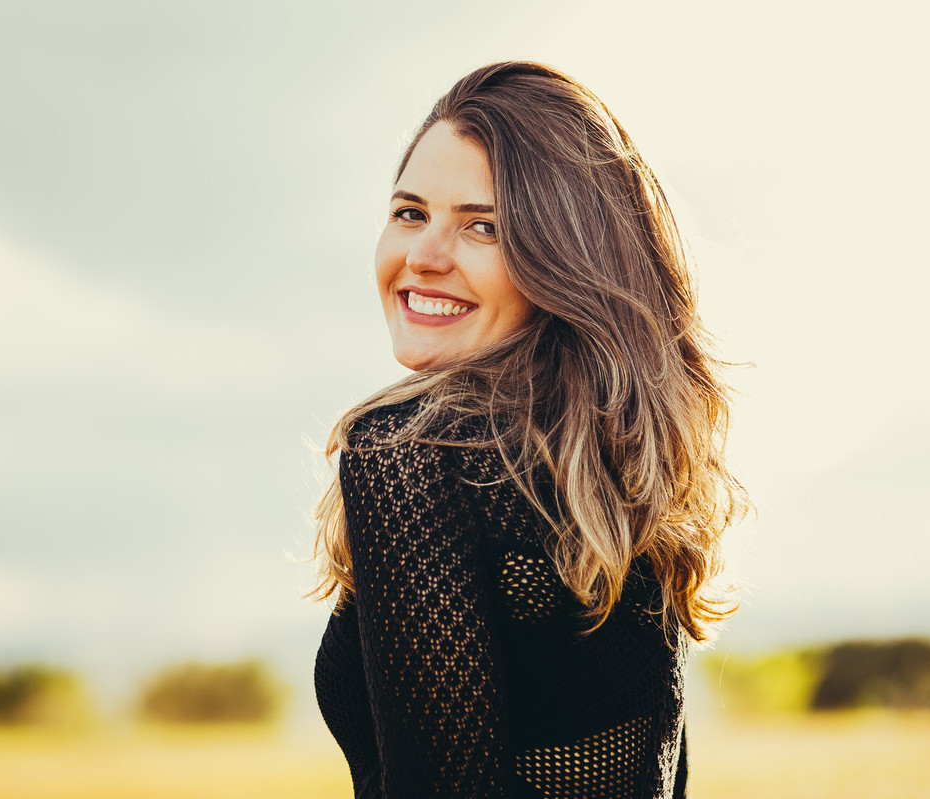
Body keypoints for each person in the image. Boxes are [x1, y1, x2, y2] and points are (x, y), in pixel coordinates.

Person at [311, 61, 747, 799]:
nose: (424, 256)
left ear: (561, 256)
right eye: (410, 212)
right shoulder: (619, 464)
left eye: (483, 226)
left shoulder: (410, 456)